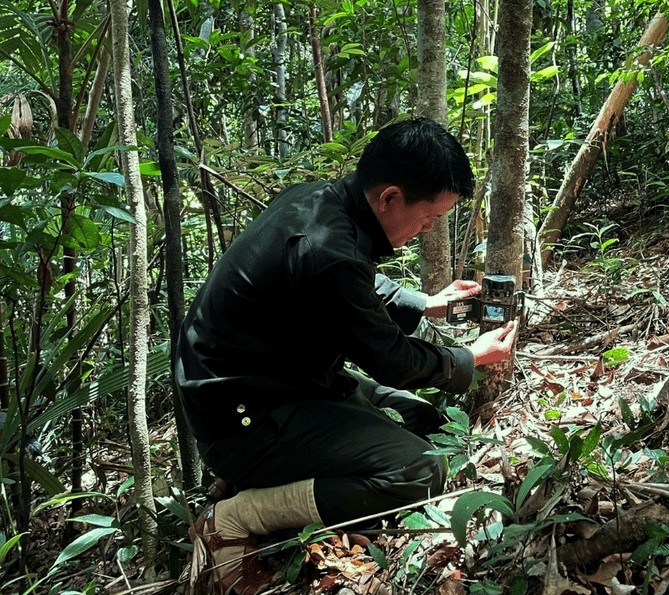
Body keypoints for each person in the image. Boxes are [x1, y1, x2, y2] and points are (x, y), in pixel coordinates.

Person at [176, 117, 517, 595]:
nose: (426, 229)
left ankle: (281, 485)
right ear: (391, 197)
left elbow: (359, 282)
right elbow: (392, 359)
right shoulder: (327, 250)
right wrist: (470, 358)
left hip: (285, 381)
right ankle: (232, 516)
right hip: (244, 417)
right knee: (419, 470)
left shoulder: (319, 201)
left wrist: (427, 303)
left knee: (428, 422)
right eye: (429, 218)